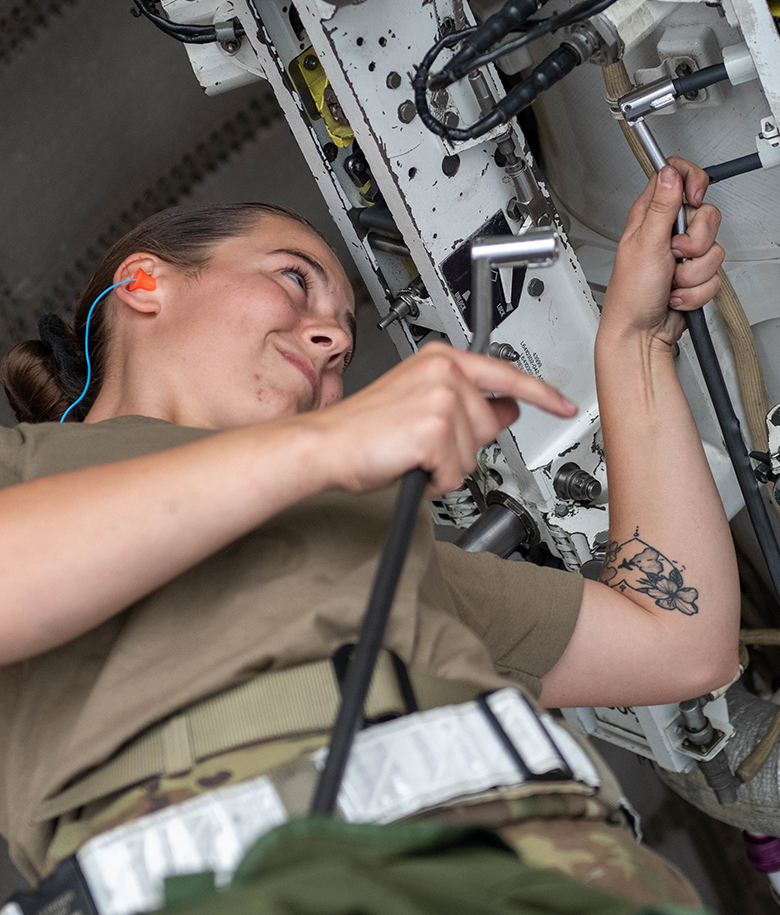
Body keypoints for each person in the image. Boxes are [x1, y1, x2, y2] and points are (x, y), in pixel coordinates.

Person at [0, 157, 735, 907]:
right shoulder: (29, 471)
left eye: (345, 351)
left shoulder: (376, 542)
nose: (328, 341)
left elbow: (679, 640)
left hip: (557, 868)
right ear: (143, 283)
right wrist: (327, 445)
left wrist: (637, 344)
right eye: (294, 279)